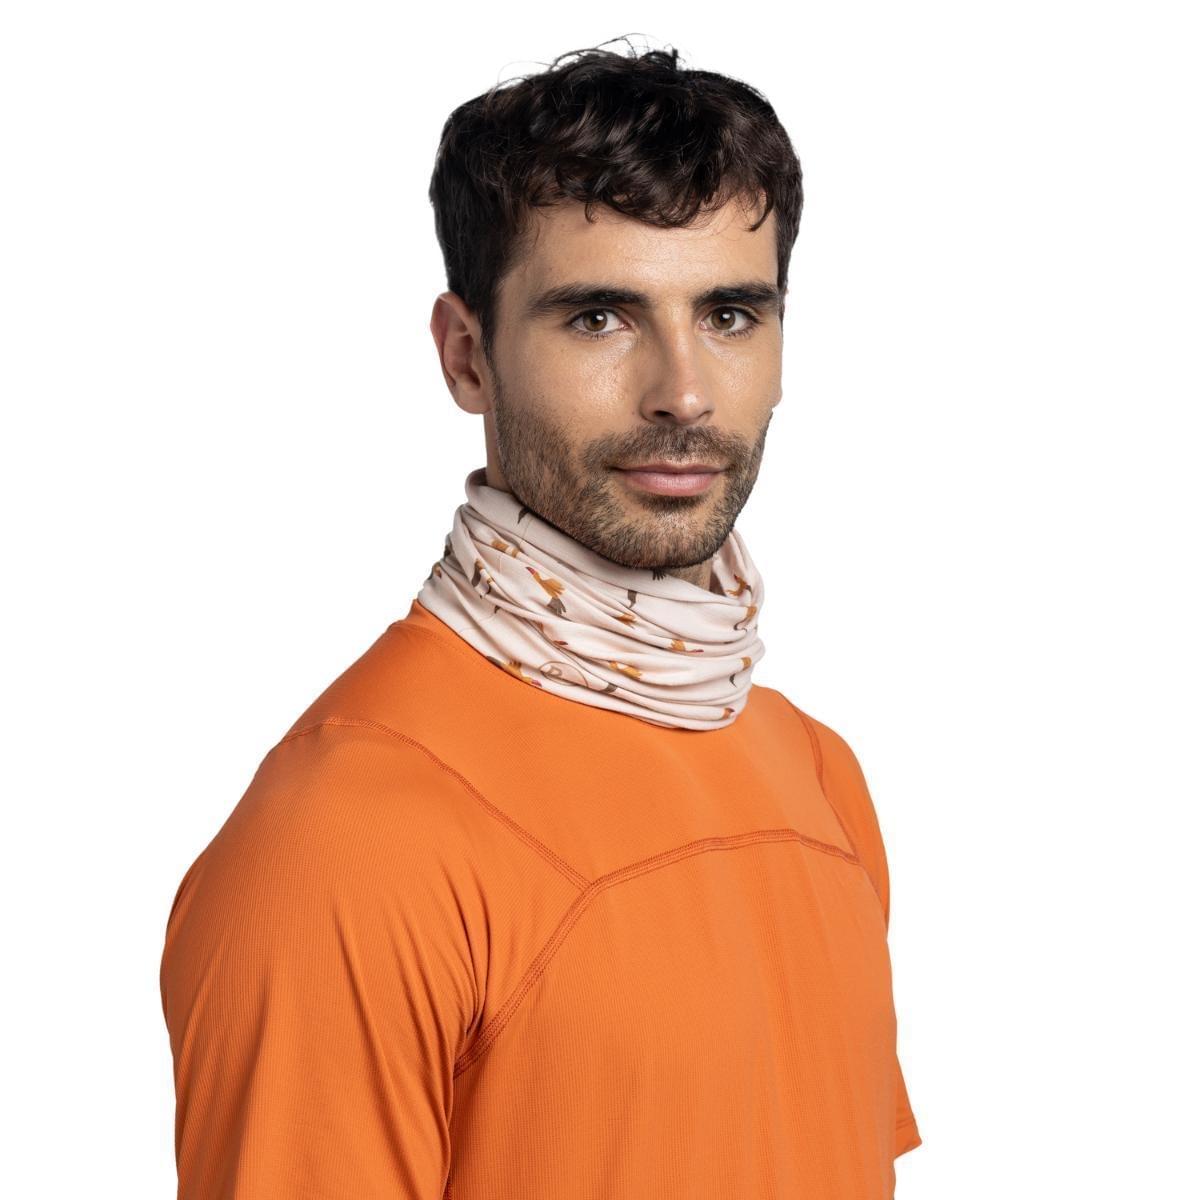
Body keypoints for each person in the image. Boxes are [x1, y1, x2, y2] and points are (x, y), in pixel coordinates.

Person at [159, 38, 923, 1199]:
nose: (682, 392)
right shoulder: (342, 841)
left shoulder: (818, 773)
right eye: (600, 317)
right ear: (468, 357)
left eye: (729, 313)